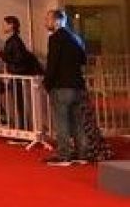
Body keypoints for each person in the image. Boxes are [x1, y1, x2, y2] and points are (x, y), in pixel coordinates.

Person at [43, 9, 91, 166]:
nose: (45, 22)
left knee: (62, 121)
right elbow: (83, 60)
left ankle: (64, 154)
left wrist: (47, 83)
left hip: (61, 86)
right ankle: (82, 153)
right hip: (78, 84)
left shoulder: (55, 38)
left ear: (57, 21)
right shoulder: (75, 38)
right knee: (78, 121)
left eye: (48, 19)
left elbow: (52, 63)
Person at [0, 16, 40, 131]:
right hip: (14, 75)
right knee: (18, 102)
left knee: (20, 103)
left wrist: (2, 56)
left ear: (12, 25)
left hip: (17, 76)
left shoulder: (15, 41)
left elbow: (18, 59)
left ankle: (23, 128)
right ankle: (21, 126)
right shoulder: (12, 41)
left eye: (5, 24)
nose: (3, 26)